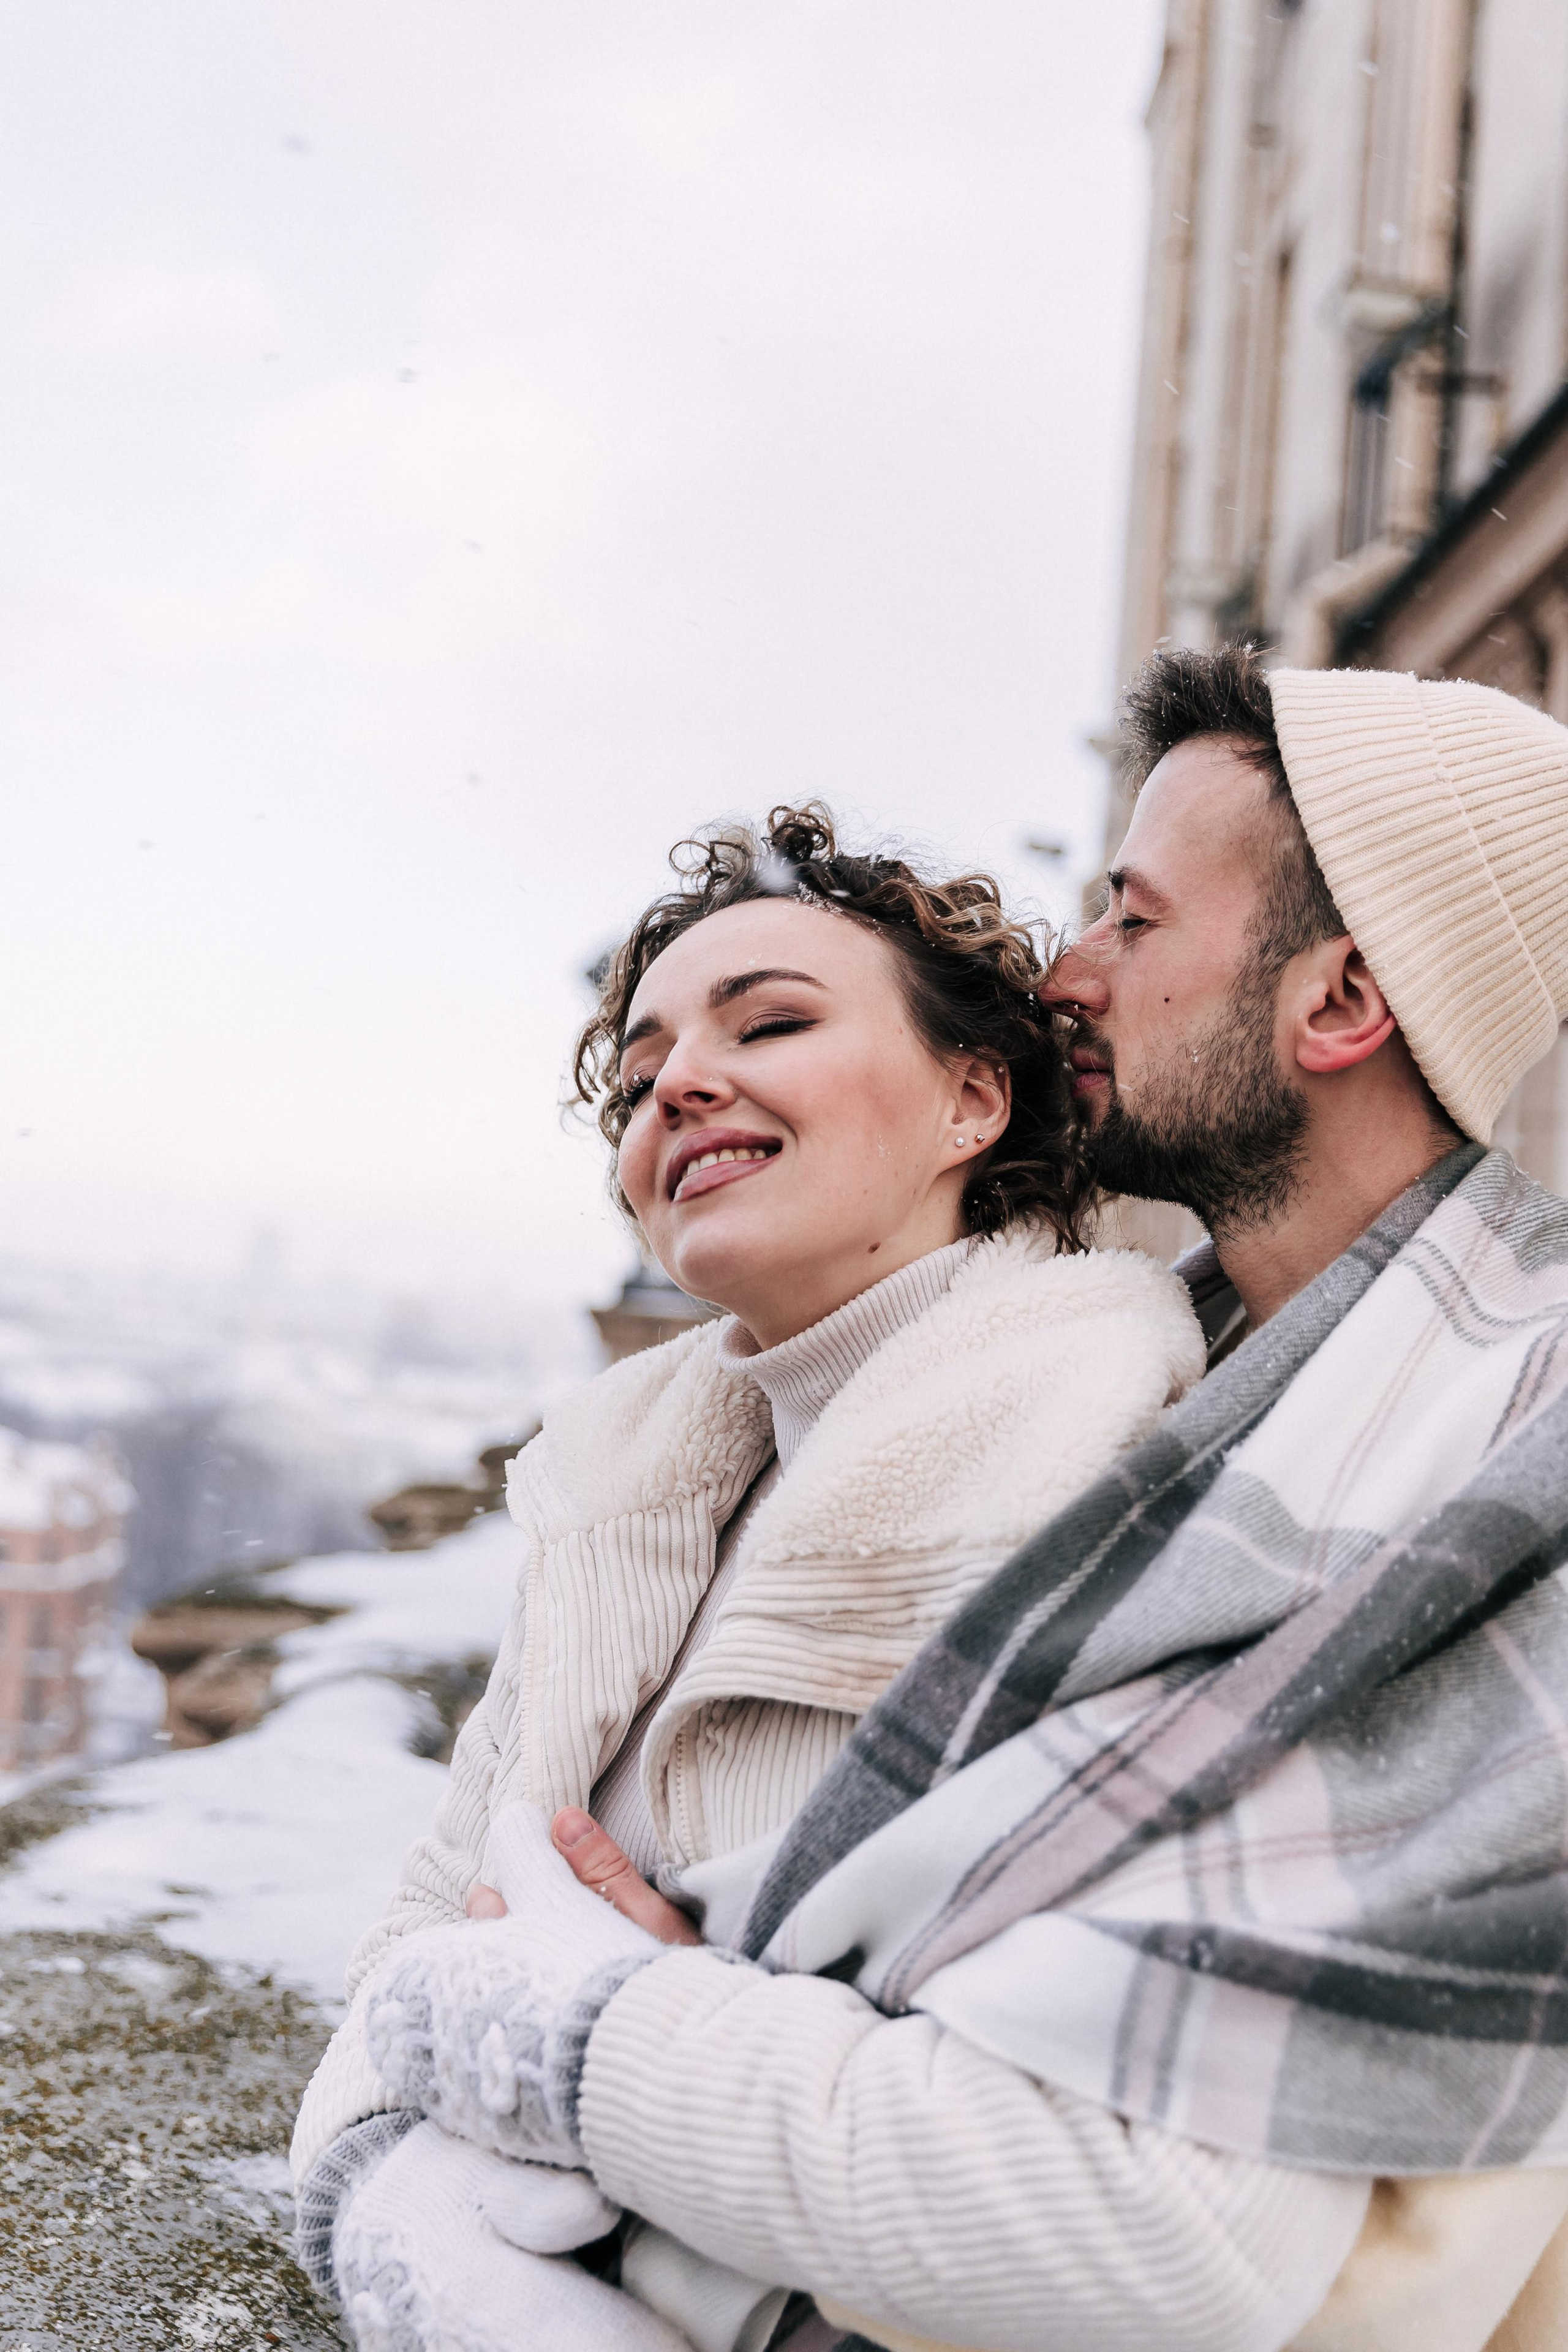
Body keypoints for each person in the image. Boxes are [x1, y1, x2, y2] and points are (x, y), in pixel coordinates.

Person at [319, 650, 1568, 2352]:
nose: (1069, 975)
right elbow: (418, 1968)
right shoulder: (1238, 1415)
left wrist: (586, 2022)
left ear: (1339, 1004)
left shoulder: (1412, 1467)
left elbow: (1146, 2236)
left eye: (1133, 918)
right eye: (638, 1066)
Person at [290, 807, 1208, 2349]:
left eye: (769, 1022)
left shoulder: (1104, 1447)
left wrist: (629, 2031)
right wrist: (384, 2186)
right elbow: (416, 1944)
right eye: (640, 1079)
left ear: (972, 1098)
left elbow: (1040, 2103)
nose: (678, 1090)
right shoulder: (615, 1484)